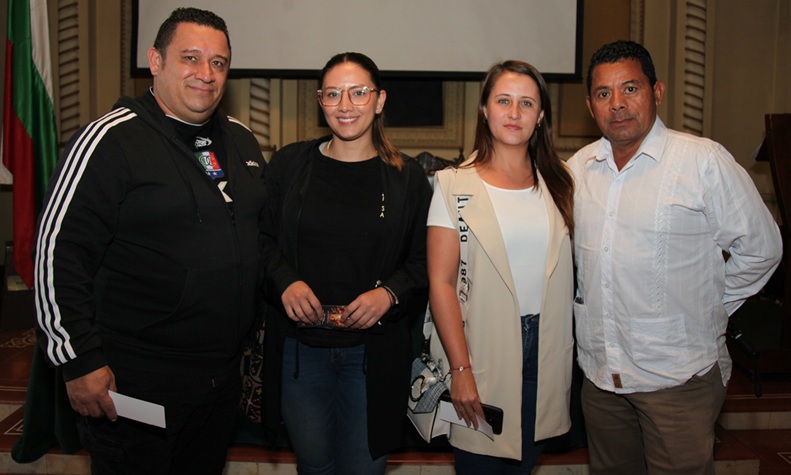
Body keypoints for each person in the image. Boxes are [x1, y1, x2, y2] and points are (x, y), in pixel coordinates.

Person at [32, 8, 266, 474]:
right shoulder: (108, 140)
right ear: (155, 61)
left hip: (220, 377)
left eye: (218, 62)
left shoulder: (241, 140)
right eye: (191, 58)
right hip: (135, 378)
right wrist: (77, 362)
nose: (206, 73)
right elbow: (56, 255)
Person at [568, 40, 783, 475]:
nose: (618, 104)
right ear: (591, 106)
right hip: (601, 379)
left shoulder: (701, 161)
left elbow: (762, 249)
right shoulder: (578, 169)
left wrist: (711, 305)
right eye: (604, 94)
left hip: (677, 380)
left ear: (657, 92)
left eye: (631, 88)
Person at [259, 52, 432, 474]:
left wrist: (388, 294)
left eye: (359, 93)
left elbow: (424, 261)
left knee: (364, 468)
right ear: (321, 101)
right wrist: (285, 281)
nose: (345, 105)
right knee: (314, 466)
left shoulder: (408, 177)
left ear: (380, 100)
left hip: (372, 355)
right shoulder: (289, 165)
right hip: (302, 352)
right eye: (333, 94)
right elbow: (260, 240)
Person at [427, 60, 575, 473]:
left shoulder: (561, 183)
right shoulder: (452, 184)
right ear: (485, 109)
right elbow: (440, 283)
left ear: (541, 115)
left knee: (525, 462)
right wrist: (461, 370)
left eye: (526, 103)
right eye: (503, 101)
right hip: (480, 350)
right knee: (479, 463)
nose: (514, 113)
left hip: (544, 348)